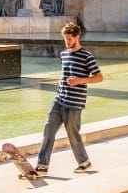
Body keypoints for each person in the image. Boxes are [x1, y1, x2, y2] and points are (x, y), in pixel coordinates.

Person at [36, 21, 104, 174]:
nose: (67, 42)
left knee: (72, 134)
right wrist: (61, 81)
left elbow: (99, 77)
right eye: (65, 39)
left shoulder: (87, 56)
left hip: (75, 103)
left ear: (77, 37)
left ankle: (84, 162)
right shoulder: (64, 54)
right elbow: (66, 72)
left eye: (70, 39)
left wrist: (80, 80)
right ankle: (42, 165)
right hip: (59, 99)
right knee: (48, 130)